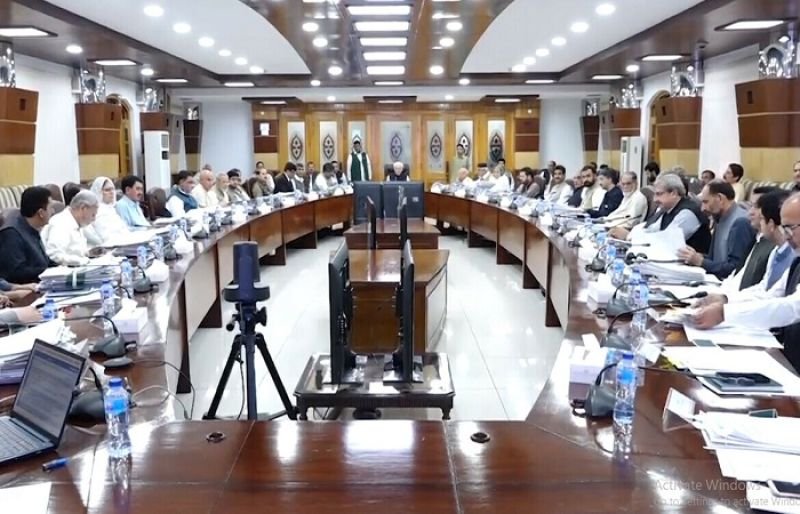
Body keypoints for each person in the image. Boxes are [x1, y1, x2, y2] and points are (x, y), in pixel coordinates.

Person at [691, 193, 800, 369]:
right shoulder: (797, 260)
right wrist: (725, 301)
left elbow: (792, 307)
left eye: (790, 228)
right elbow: (769, 294)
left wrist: (724, 313)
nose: (786, 236)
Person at [610, 173, 711, 253]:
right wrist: (630, 235)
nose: (655, 199)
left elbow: (665, 243)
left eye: (659, 194)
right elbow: (650, 229)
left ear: (674, 193)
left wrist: (629, 236)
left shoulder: (687, 213)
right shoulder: (667, 209)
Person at [677, 179, 755, 279]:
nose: (702, 208)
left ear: (720, 198)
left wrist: (700, 261)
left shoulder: (740, 222)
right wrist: (693, 256)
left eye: (706, 202)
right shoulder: (719, 218)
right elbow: (715, 259)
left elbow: (735, 268)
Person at [719, 188, 786, 294]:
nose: (750, 212)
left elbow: (770, 293)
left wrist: (726, 299)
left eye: (756, 207)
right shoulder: (761, 242)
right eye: (751, 206)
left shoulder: (774, 247)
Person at [0, 186, 56, 283]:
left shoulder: (32, 227)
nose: (53, 211)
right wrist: (47, 272)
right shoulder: (12, 234)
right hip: (25, 287)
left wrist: (62, 269)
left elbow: (44, 262)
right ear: (41, 213)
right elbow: (15, 273)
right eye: (50, 208)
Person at [42, 190, 99, 266]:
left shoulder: (77, 222)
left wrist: (89, 252)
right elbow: (54, 255)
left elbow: (74, 250)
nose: (94, 219)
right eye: (93, 215)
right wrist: (82, 261)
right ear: (83, 208)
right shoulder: (62, 223)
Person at [89, 176, 130, 244]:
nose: (112, 192)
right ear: (98, 192)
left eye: (113, 189)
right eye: (107, 190)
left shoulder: (111, 208)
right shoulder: (97, 211)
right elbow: (105, 236)